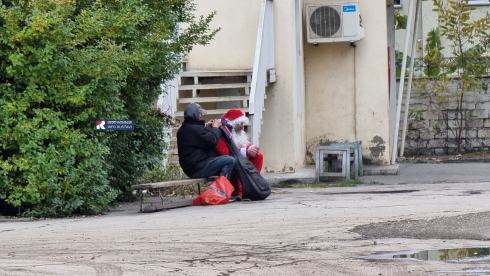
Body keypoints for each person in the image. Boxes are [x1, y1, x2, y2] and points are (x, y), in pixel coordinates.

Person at [177, 103, 235, 181]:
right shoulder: (195, 129)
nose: (201, 115)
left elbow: (202, 142)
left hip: (193, 168)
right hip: (198, 168)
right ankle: (221, 190)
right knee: (230, 161)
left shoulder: (186, 128)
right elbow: (213, 141)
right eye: (200, 113)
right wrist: (215, 128)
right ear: (195, 114)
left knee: (226, 161)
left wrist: (207, 130)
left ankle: (218, 188)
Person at [215, 109, 264, 200]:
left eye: (243, 123)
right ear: (233, 123)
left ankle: (251, 186)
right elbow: (224, 152)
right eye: (240, 123)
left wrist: (252, 149)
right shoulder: (221, 132)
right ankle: (237, 191)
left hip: (238, 157)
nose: (242, 126)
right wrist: (246, 151)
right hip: (224, 160)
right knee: (236, 161)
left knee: (258, 156)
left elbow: (246, 144)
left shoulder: (238, 130)